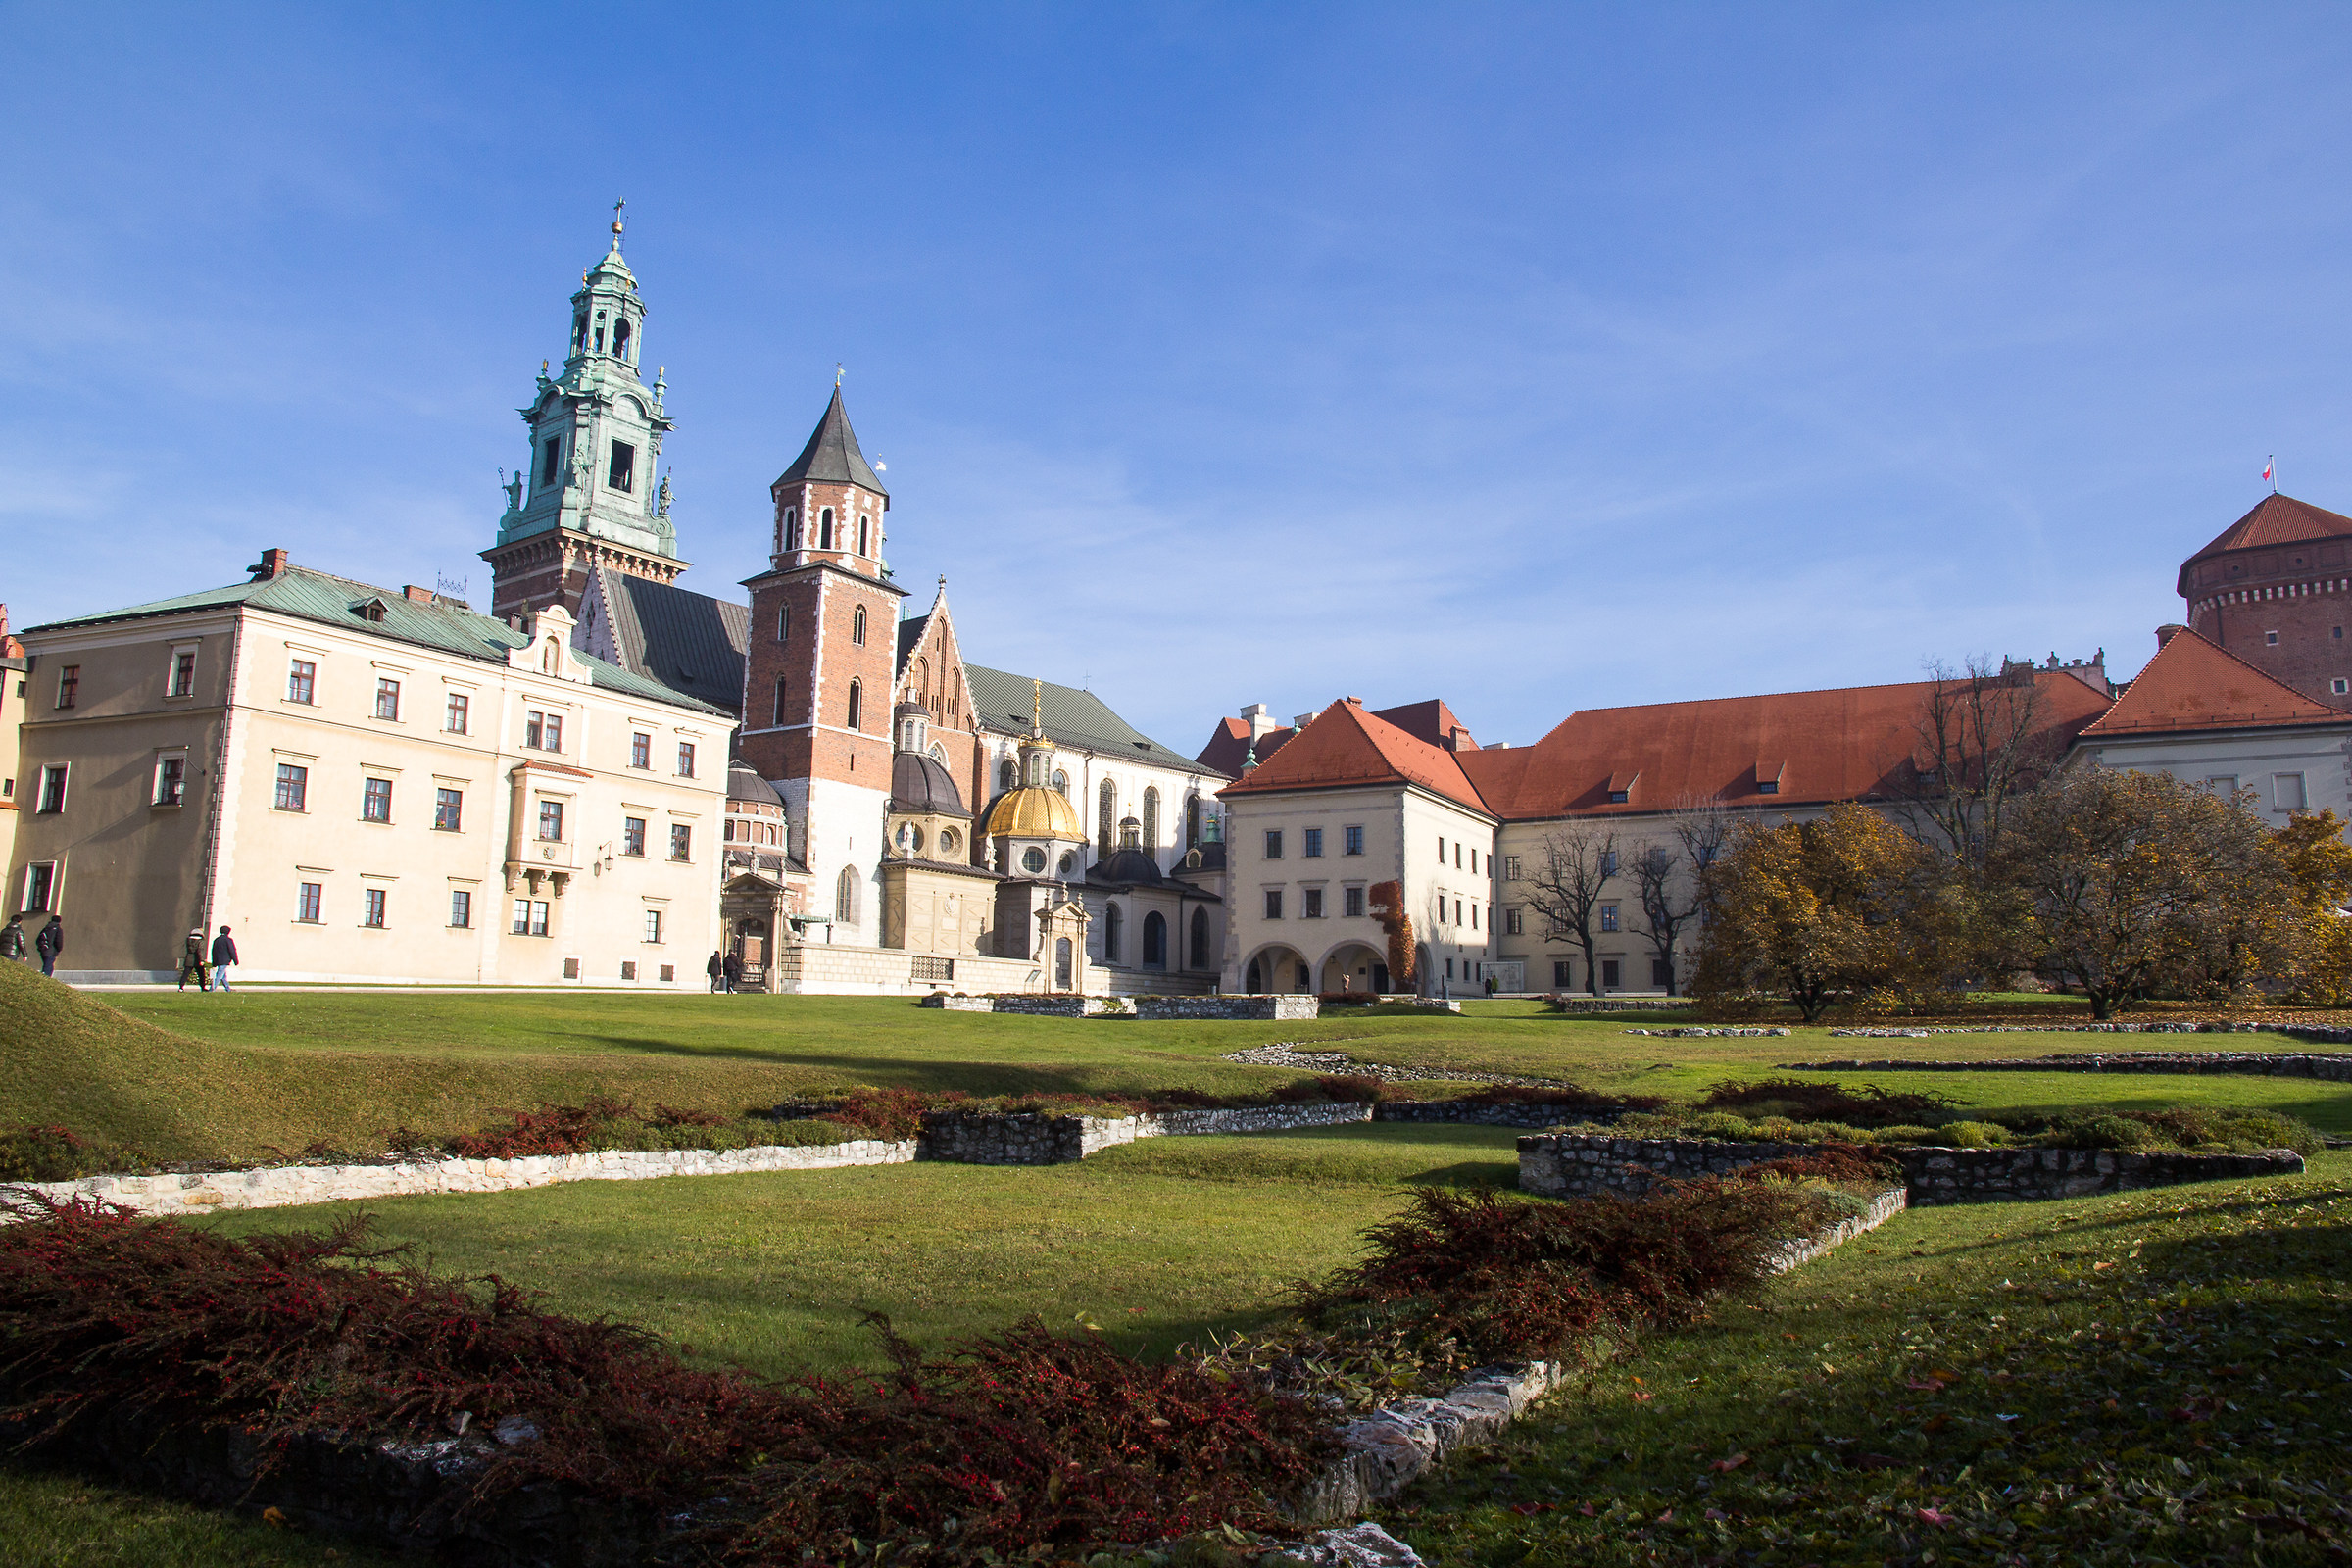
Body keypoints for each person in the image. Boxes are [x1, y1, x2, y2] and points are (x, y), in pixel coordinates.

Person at [178, 928, 210, 992]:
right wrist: (201, 960)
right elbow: (200, 950)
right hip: (197, 960)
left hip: (189, 958)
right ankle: (202, 987)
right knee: (201, 975)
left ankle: (181, 987)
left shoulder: (188, 940)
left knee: (185, 974)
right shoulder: (200, 941)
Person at [210, 925, 238, 993]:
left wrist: (214, 962)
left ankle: (228, 988)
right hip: (225, 960)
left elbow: (213, 951)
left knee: (223, 976)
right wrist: (235, 960)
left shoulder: (217, 940)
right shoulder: (228, 940)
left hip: (218, 959)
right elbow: (232, 950)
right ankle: (212, 988)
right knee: (219, 975)